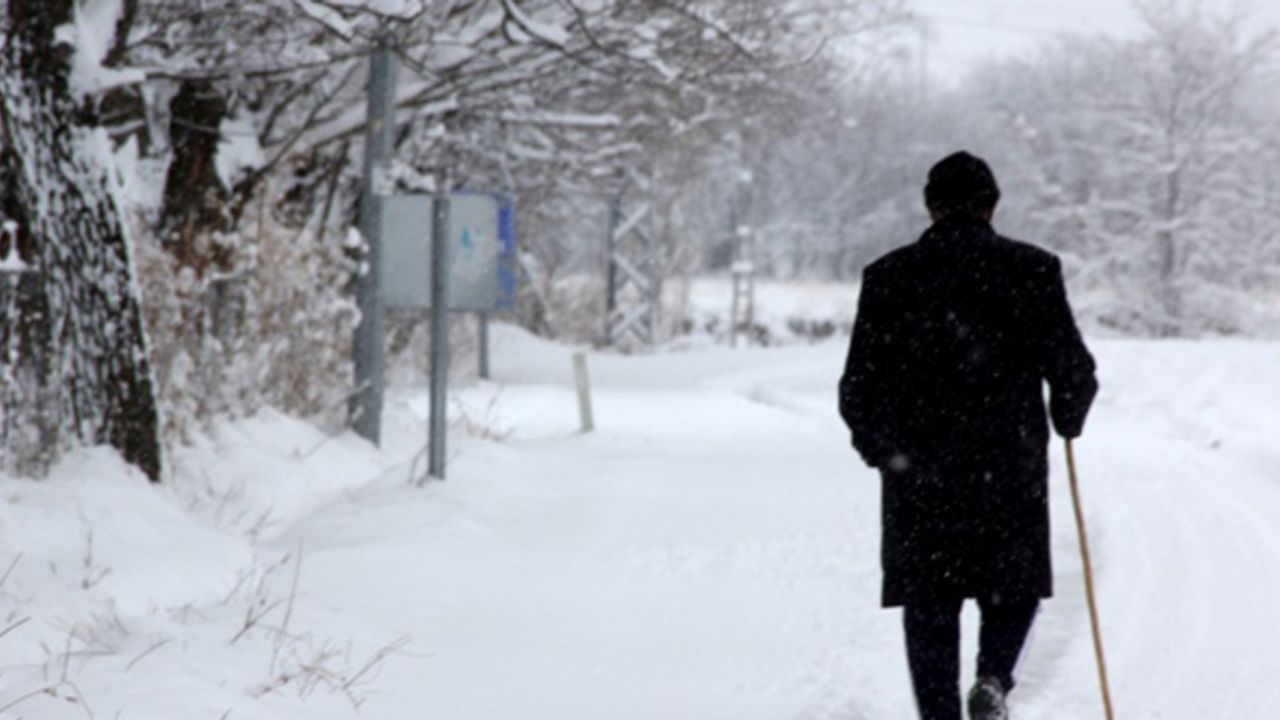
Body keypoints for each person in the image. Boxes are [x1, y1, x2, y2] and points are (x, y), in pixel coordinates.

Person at [838, 151, 1098, 720]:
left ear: (929, 206)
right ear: (992, 205)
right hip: (1008, 467)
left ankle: (939, 714)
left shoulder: (888, 277)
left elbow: (857, 389)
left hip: (920, 474)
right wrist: (1068, 415)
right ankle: (993, 679)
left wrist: (885, 453)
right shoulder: (1032, 269)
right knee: (1013, 588)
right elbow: (1073, 369)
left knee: (930, 603)